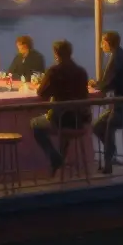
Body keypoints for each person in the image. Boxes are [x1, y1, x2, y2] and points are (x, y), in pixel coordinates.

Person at [30, 40, 91, 173]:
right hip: (79, 121)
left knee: (35, 124)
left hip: (60, 120)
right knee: (65, 133)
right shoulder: (81, 71)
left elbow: (42, 93)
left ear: (56, 54)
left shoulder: (54, 71)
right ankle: (59, 162)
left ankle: (54, 157)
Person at [91, 31, 123, 174]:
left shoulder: (117, 58)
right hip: (121, 104)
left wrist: (97, 86)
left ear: (108, 43)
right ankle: (111, 156)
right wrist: (99, 84)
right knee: (99, 126)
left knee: (103, 126)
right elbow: (111, 81)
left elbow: (109, 82)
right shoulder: (120, 56)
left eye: (102, 43)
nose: (101, 46)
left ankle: (108, 162)